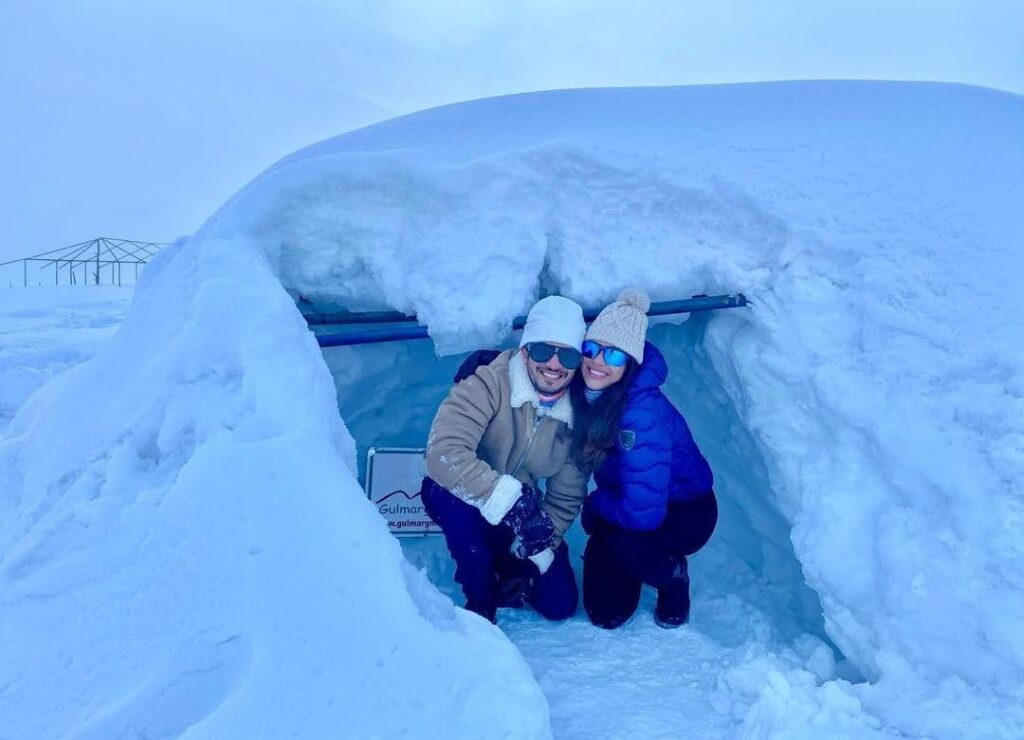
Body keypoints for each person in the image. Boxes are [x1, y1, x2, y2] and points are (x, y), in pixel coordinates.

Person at [421, 295, 590, 623]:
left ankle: (504, 565)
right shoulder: (489, 382)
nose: (554, 365)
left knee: (560, 605)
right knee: (459, 517)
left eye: (567, 355)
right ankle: (480, 595)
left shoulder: (577, 414)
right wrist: (509, 501)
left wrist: (538, 541)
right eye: (543, 350)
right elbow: (444, 453)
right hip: (464, 494)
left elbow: (566, 495)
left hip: (520, 514)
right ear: (525, 350)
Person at [576, 288, 717, 629]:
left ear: (631, 362)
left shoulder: (640, 418)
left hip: (684, 513)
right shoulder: (594, 392)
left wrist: (596, 506)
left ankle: (672, 574)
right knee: (605, 613)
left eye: (613, 355)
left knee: (622, 541)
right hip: (634, 501)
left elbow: (643, 515)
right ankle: (631, 557)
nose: (597, 362)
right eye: (591, 349)